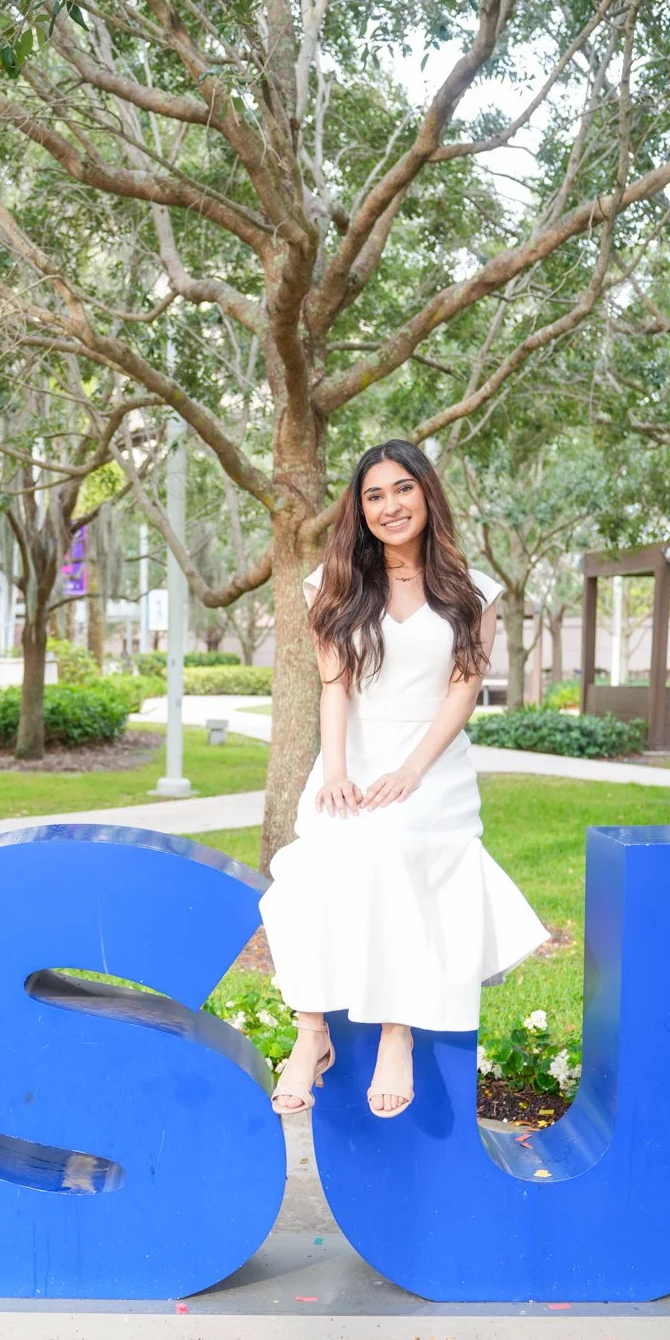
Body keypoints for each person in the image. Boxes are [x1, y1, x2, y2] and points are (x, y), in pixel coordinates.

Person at [260, 438, 547, 1120]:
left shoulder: (473, 591)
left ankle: (397, 1031)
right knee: (309, 861)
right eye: (373, 495)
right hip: (352, 760)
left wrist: (411, 771)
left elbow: (462, 689)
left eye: (402, 489)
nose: (389, 505)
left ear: (426, 493)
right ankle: (312, 1032)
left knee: (392, 848)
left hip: (431, 768)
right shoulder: (330, 586)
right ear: (358, 509)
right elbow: (334, 689)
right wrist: (333, 774)